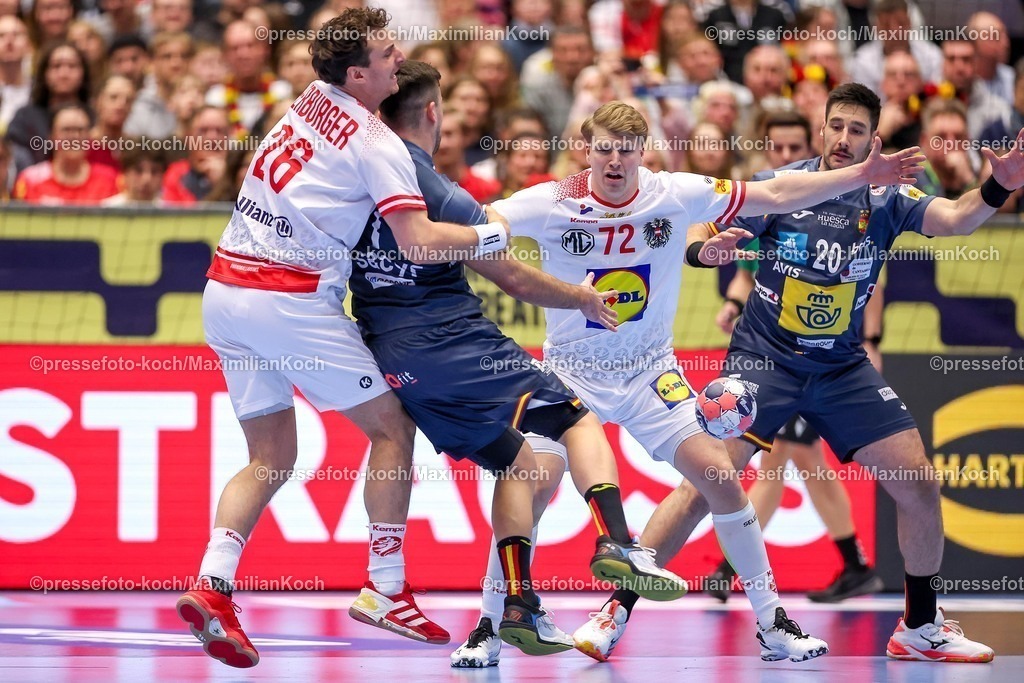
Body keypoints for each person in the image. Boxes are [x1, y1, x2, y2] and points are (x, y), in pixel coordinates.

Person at [466, 99, 924, 665]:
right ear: (586, 149)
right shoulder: (551, 201)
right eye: (604, 148)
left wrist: (861, 174)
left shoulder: (672, 191)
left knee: (719, 476)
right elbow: (484, 225)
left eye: (626, 150)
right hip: (570, 374)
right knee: (530, 486)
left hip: (649, 369)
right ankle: (489, 626)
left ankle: (771, 621)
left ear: (643, 153)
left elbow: (776, 195)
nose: (615, 160)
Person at [173, 8, 525, 668]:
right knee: (392, 425)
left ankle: (213, 583)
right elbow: (419, 244)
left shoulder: (311, 97)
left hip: (222, 291)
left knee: (271, 456)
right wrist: (492, 234)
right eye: (387, 52)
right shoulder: (378, 145)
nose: (399, 56)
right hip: (285, 298)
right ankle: (386, 585)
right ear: (358, 73)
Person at [349, 59, 689, 661]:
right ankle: (617, 542)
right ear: (434, 113)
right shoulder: (438, 193)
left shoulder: (349, 180)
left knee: (521, 467)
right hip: (452, 345)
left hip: (388, 356)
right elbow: (512, 278)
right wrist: (579, 294)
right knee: (571, 415)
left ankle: (503, 603)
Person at [683, 82, 1015, 663]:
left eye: (856, 130)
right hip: (767, 360)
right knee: (704, 479)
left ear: (873, 139)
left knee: (918, 484)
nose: (843, 138)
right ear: (821, 129)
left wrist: (1000, 186)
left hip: (841, 367)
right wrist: (703, 251)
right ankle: (619, 604)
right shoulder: (785, 186)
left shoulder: (889, 199)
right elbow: (701, 224)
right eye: (836, 126)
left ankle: (918, 625)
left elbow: (959, 218)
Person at [708, 110, 885, 605]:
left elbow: (873, 281)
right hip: (780, 352)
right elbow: (752, 269)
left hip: (824, 356)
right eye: (777, 149)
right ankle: (853, 565)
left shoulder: (851, 197)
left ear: (806, 144)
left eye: (793, 148)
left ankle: (731, 568)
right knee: (799, 462)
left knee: (785, 461)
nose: (785, 156)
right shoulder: (773, 198)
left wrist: (872, 341)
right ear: (769, 150)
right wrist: (732, 303)